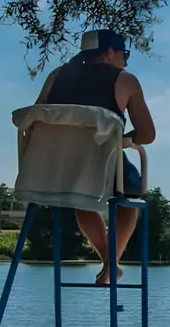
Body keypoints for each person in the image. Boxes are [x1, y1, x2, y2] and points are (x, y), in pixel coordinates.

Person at [37, 28, 158, 284]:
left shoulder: (56, 76)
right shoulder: (124, 80)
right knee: (130, 191)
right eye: (124, 54)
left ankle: (109, 264)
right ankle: (111, 264)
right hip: (101, 164)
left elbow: (38, 116)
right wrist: (123, 139)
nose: (125, 61)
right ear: (110, 52)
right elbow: (147, 134)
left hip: (54, 169)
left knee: (83, 198)